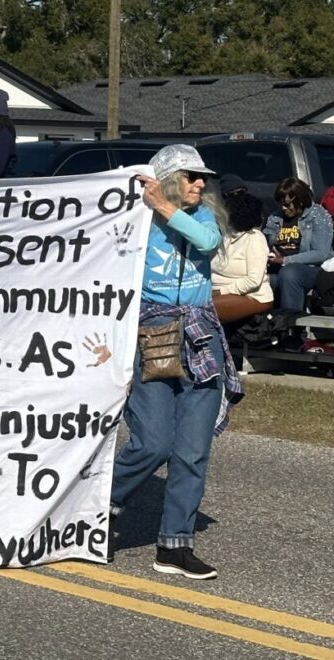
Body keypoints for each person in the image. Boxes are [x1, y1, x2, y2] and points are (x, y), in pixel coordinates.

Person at [110, 144, 242, 580]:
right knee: (152, 443)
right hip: (151, 333)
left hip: (200, 337)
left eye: (202, 177)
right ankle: (101, 502)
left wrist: (166, 206)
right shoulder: (136, 221)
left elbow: (206, 242)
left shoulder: (202, 217)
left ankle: (174, 546)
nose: (201, 184)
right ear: (168, 178)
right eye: (191, 176)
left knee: (191, 452)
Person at [263, 177, 334, 311]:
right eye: (280, 203)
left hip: (311, 269)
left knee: (290, 274)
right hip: (277, 268)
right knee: (257, 279)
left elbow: (321, 253)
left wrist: (285, 260)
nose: (283, 208)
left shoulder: (318, 215)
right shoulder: (275, 217)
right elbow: (266, 241)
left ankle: (290, 325)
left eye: (287, 204)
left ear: (300, 201)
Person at [212, 190, 273, 322]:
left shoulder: (255, 239)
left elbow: (253, 281)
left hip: (251, 296)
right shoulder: (226, 236)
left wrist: (222, 291)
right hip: (217, 291)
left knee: (202, 309)